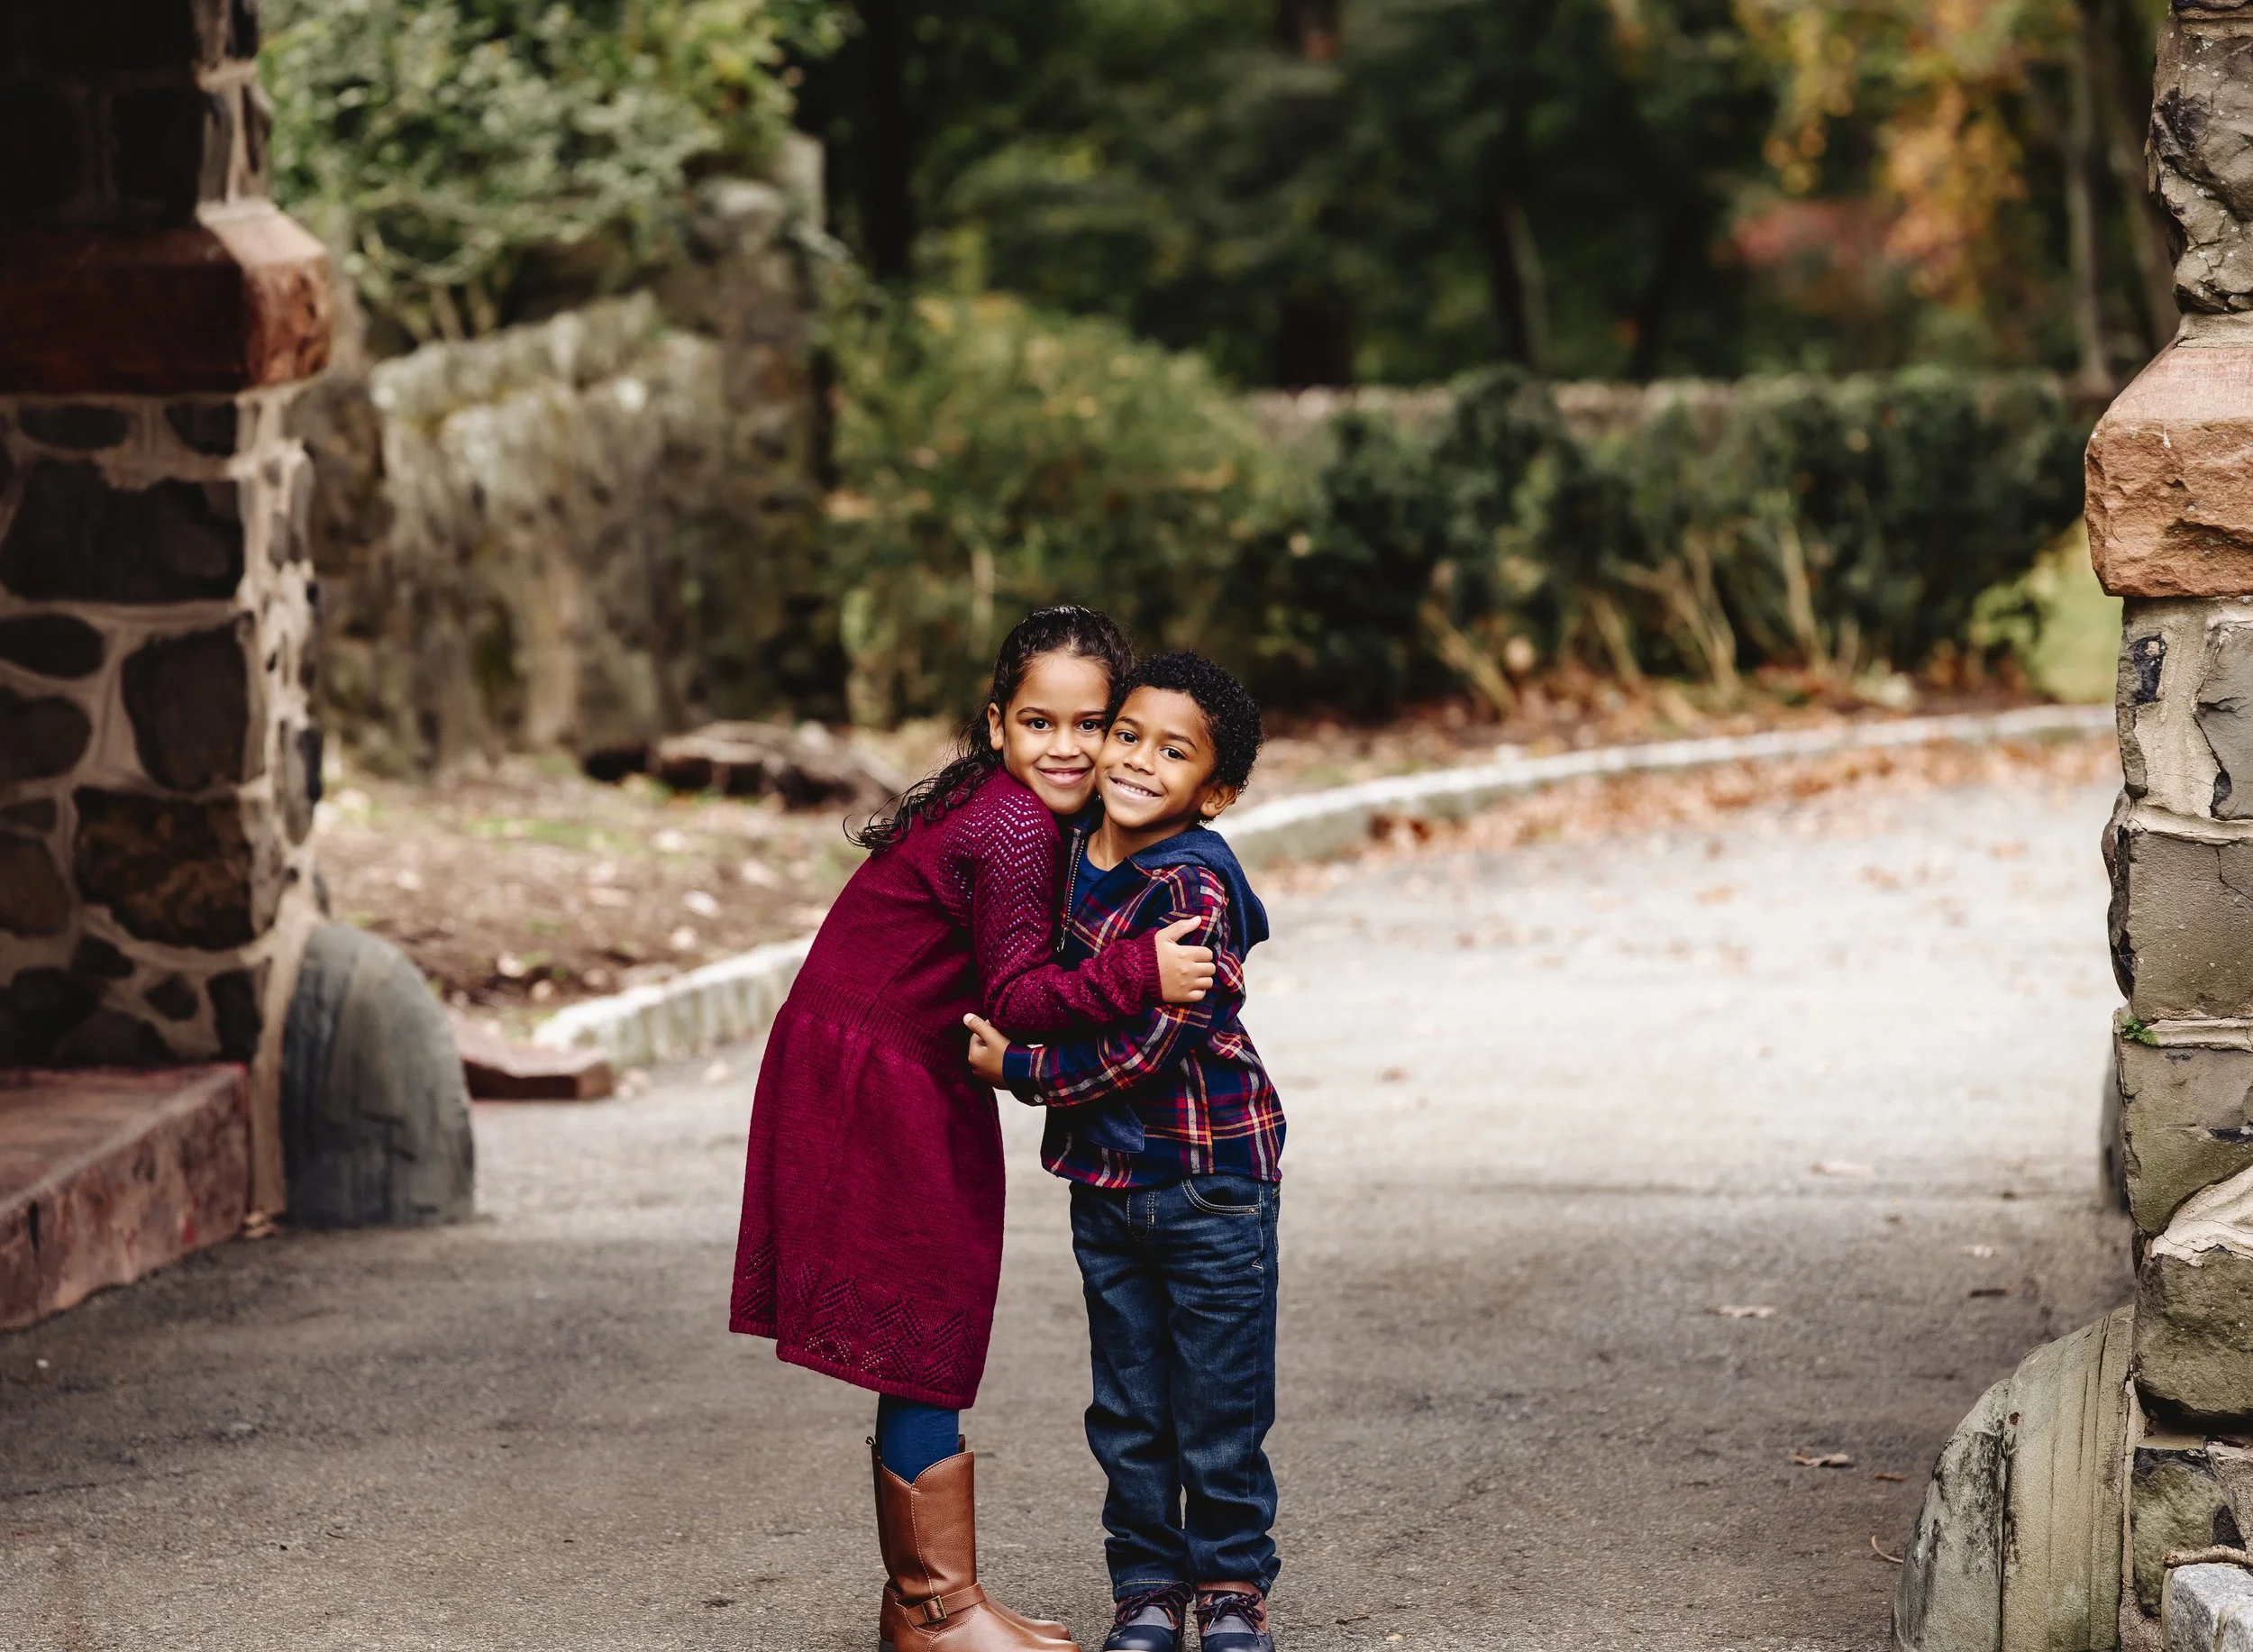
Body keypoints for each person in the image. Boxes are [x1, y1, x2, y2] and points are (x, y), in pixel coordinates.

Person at [728, 607, 1219, 1652]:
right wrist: (1145, 971)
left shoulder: (1003, 809)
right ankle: (935, 1611)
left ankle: (933, 1603)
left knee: (930, 1321)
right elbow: (1021, 994)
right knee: (925, 1322)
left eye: (1093, 725)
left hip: (884, 1065)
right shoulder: (1011, 828)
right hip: (878, 1078)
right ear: (997, 725)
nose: (1067, 747)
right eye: (1039, 723)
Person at [965, 653, 1284, 1652]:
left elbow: (1149, 1046)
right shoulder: (1063, 852)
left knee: (1218, 1407)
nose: (1138, 761)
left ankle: (1230, 1584)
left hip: (1210, 1180)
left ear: (1214, 791)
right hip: (1107, 1186)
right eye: (1129, 734)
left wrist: (1019, 1067)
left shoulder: (1192, 881)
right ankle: (1146, 1586)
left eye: (1173, 752)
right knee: (1129, 1406)